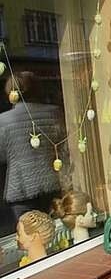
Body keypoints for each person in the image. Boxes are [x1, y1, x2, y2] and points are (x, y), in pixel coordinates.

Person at [0, 72, 65, 228]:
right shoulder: (54, 112)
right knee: (55, 230)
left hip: (20, 187)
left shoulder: (3, 120)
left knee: (30, 234)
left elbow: (2, 156)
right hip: (51, 182)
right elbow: (63, 146)